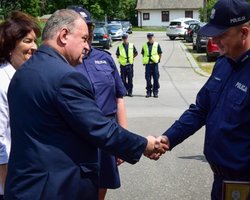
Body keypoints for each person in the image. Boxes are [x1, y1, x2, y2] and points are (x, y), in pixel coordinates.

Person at [5, 9, 168, 200]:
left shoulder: (22, 72)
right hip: (57, 190)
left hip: (26, 187)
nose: (87, 47)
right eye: (83, 38)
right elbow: (99, 128)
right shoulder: (65, 77)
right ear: (64, 35)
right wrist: (144, 145)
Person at [155, 0, 250, 199]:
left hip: (246, 186)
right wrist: (168, 138)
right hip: (221, 183)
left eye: (221, 34)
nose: (215, 40)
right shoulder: (224, 63)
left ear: (244, 33)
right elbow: (201, 109)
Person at [73, 7, 127, 200]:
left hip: (107, 131)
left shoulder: (104, 58)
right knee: (76, 184)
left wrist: (122, 140)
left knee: (102, 182)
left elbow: (118, 98)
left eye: (88, 27)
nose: (86, 33)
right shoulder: (64, 61)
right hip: (78, 133)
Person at [0, 11, 40, 199]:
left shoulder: (19, 77)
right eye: (27, 41)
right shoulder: (2, 82)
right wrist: (8, 188)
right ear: (9, 45)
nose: (34, 47)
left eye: (35, 41)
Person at [141, 33, 162, 98]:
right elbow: (143, 54)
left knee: (156, 78)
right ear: (147, 38)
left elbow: (160, 53)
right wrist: (145, 60)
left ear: (153, 37)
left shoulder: (157, 45)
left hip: (154, 64)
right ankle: (148, 92)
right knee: (148, 78)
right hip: (148, 64)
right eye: (149, 38)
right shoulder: (144, 45)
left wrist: (158, 60)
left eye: (151, 37)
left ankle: (155, 92)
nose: (150, 39)